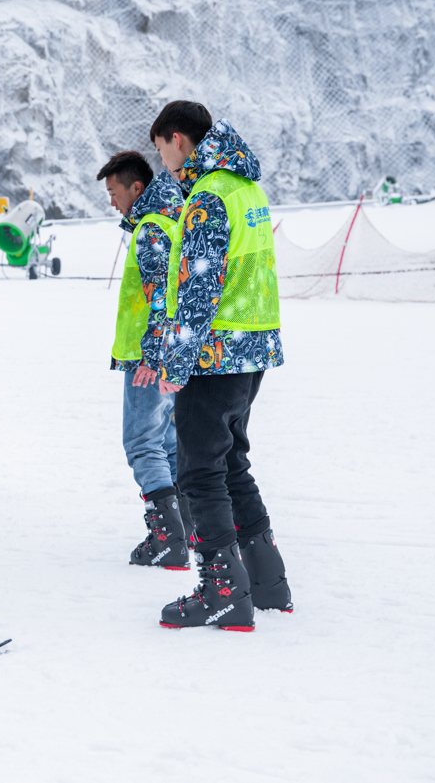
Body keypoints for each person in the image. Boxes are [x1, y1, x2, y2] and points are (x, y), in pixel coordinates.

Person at [149, 101, 292, 631]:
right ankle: (266, 581)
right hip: (252, 349)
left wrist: (177, 360)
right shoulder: (246, 187)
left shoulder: (208, 196)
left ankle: (223, 592)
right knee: (231, 463)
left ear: (178, 139)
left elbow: (199, 285)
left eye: (161, 148)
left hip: (214, 355)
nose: (163, 161)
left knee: (199, 471)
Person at [96, 151, 192, 570]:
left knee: (142, 441)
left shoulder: (151, 228)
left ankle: (168, 538)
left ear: (137, 188)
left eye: (114, 192)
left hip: (147, 354)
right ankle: (183, 530)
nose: (112, 201)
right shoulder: (168, 220)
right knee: (167, 441)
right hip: (162, 351)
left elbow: (159, 297)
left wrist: (152, 356)